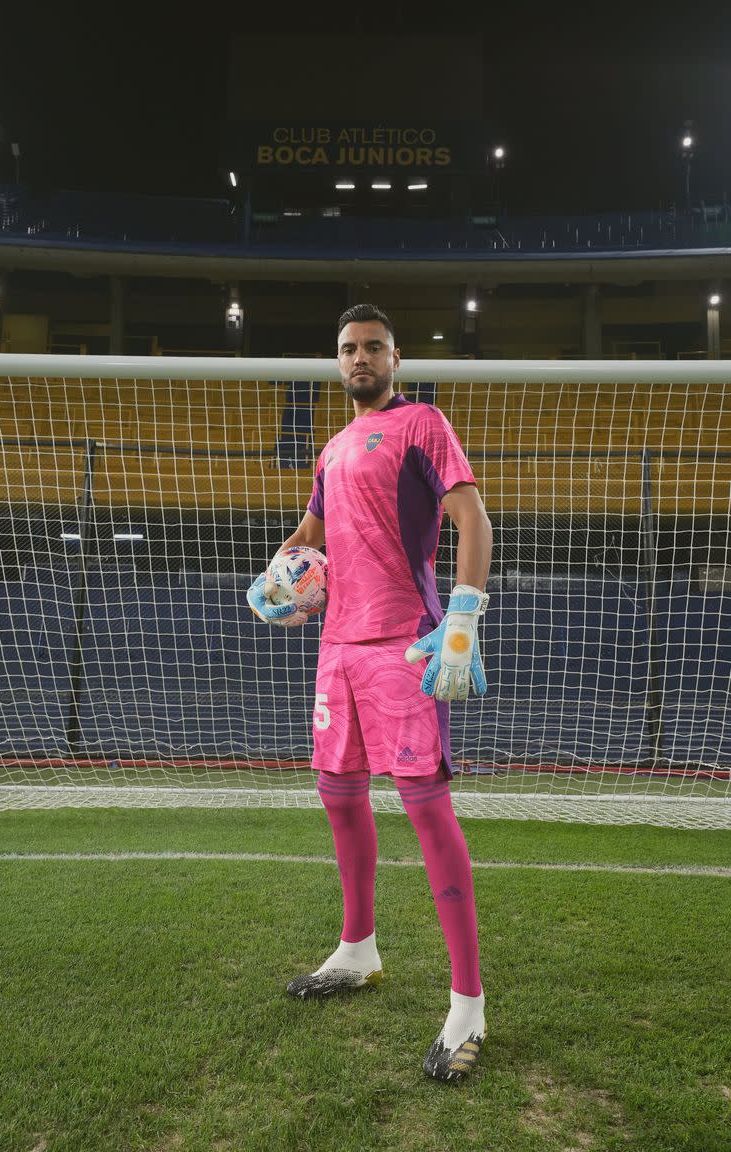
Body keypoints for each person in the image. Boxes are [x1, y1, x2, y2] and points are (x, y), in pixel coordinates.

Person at [247, 303, 493, 1083]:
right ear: (338, 360)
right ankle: (357, 949)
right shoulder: (331, 448)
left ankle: (468, 1005)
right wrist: (278, 576)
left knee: (425, 807)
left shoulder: (422, 423)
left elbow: (472, 520)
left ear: (396, 357)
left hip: (404, 643)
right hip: (337, 652)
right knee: (339, 796)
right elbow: (309, 534)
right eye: (349, 349)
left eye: (374, 348)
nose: (361, 359)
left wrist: (462, 617)